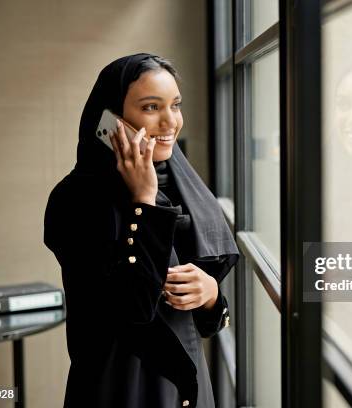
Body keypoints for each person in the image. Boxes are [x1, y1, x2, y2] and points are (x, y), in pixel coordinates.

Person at [44, 53, 239, 408]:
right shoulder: (75, 199)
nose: (170, 121)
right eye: (151, 107)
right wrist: (144, 201)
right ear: (111, 120)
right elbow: (132, 307)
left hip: (187, 384)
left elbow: (206, 325)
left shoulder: (183, 189)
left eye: (175, 105)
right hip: (119, 389)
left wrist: (210, 294)